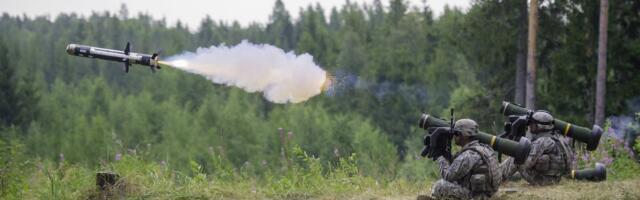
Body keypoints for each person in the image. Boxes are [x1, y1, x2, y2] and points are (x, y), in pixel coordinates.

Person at [431, 119, 501, 199]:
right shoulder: (484, 148)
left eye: (456, 133)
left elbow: (448, 176)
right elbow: (456, 168)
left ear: (464, 135)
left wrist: (439, 156)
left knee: (440, 186)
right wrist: (446, 155)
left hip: (477, 197)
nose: (454, 136)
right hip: (489, 193)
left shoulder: (468, 155)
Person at [500, 111, 576, 185]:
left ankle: (497, 177)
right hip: (559, 179)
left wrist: (521, 151)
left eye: (532, 123)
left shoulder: (541, 141)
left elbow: (527, 164)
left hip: (546, 181)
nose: (530, 126)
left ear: (539, 126)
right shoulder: (559, 138)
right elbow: (570, 164)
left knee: (517, 157)